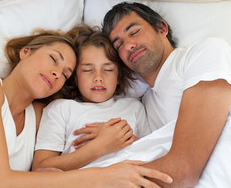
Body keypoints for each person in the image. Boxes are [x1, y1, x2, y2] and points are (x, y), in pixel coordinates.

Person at [0, 27, 173, 188]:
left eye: (66, 74)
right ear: (26, 52)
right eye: (53, 59)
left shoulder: (38, 115)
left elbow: (42, 173)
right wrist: (103, 176)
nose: (58, 73)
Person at [86, 1, 231, 188]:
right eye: (118, 44)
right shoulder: (144, 106)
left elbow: (181, 171)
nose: (128, 45)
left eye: (135, 32)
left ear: (161, 28)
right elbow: (153, 152)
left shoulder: (204, 52)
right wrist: (112, 141)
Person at [32, 24, 151, 171]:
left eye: (107, 69)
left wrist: (124, 138)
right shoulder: (60, 109)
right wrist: (100, 146)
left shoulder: (134, 107)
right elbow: (40, 167)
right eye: (88, 70)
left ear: (119, 76)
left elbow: (152, 153)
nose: (98, 78)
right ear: (75, 77)